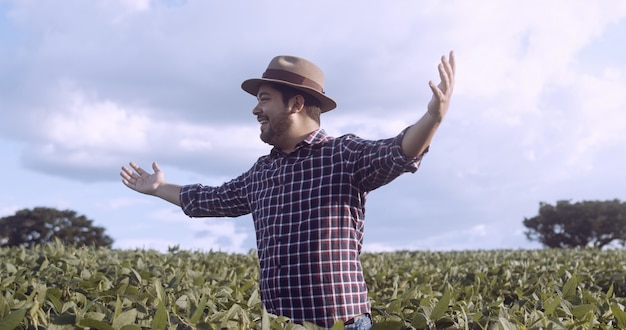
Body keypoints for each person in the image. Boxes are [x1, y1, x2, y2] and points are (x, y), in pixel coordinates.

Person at [120, 52, 456, 329]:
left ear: (295, 104)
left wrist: (432, 119)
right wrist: (160, 188)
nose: (255, 110)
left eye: (264, 100)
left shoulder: (343, 154)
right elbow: (210, 199)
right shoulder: (263, 171)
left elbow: (397, 152)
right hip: (280, 324)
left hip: (339, 323)